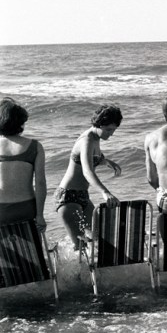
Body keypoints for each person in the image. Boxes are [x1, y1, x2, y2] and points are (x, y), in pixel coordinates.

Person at [55, 104, 123, 248]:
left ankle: (97, 269)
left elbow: (89, 158)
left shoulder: (96, 137)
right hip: (68, 197)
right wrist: (105, 192)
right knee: (80, 247)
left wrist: (105, 161)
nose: (111, 134)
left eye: (114, 130)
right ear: (99, 124)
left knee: (100, 239)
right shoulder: (87, 140)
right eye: (108, 129)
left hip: (83, 196)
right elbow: (87, 171)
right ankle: (77, 270)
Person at [0, 98, 46, 230]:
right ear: (21, 122)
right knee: (31, 248)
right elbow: (40, 182)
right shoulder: (35, 146)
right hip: (26, 208)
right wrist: (40, 216)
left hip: (1, 209)